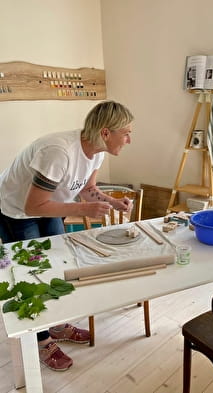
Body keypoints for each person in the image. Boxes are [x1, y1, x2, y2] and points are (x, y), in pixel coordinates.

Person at [0, 100, 134, 371]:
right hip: (16, 210)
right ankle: (40, 339)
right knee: (32, 274)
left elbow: (87, 189)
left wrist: (112, 201)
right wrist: (84, 208)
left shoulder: (97, 151)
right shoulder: (59, 152)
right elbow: (32, 206)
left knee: (59, 264)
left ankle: (57, 324)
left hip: (47, 205)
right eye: (126, 132)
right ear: (106, 132)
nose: (129, 139)